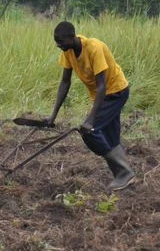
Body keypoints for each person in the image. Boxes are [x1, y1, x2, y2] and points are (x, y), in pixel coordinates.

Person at [46, 21, 135, 191]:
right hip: (103, 96)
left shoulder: (94, 48)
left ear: (72, 37)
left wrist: (90, 119)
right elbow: (65, 82)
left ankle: (124, 172)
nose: (59, 45)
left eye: (61, 42)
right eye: (56, 42)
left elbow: (102, 86)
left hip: (115, 92)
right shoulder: (68, 52)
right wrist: (53, 115)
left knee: (89, 132)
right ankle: (124, 177)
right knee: (110, 136)